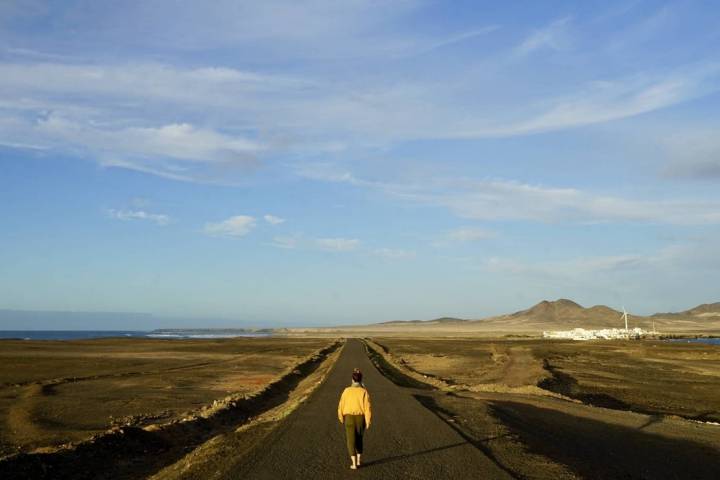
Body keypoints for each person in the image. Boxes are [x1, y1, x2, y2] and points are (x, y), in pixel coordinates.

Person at [337, 368, 372, 470]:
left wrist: (340, 417)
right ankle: (359, 460)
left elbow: (341, 405)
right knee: (359, 439)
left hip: (349, 418)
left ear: (352, 379)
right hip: (361, 419)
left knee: (350, 440)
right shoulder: (364, 391)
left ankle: (354, 463)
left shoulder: (346, 391)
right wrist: (368, 420)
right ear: (361, 380)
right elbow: (367, 407)